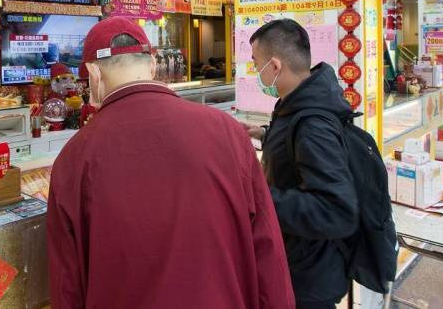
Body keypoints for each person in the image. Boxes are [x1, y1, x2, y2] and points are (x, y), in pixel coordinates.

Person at [47, 17, 294, 308]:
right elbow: (267, 248)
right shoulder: (227, 131)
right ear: (153, 66)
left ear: (94, 74)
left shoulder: (74, 159)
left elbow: (68, 286)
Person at [241, 19, 358, 309]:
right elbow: (300, 159)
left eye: (257, 65)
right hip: (301, 263)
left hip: (309, 277)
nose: (257, 73)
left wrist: (259, 198)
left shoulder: (312, 124)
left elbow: (337, 212)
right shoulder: (298, 104)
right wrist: (267, 136)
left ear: (275, 66)